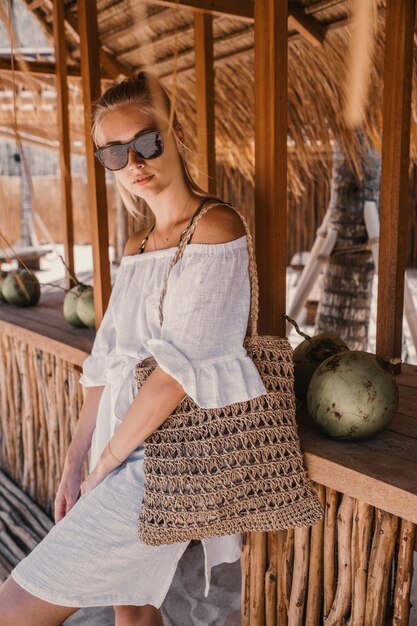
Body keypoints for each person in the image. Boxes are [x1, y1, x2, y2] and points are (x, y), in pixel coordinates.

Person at [0, 71, 268, 626]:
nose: (135, 164)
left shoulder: (217, 228)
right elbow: (106, 362)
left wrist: (103, 469)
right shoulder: (137, 245)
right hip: (120, 441)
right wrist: (76, 461)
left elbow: (174, 376)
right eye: (114, 154)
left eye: (146, 143)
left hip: (164, 459)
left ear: (174, 133)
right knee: (134, 608)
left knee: (14, 608)